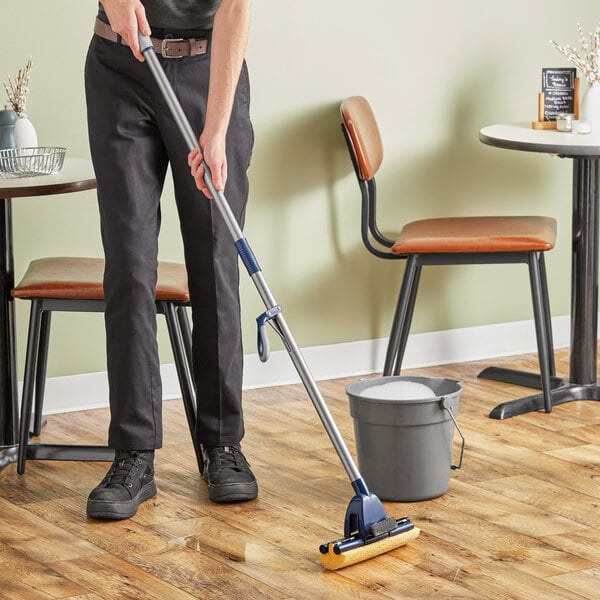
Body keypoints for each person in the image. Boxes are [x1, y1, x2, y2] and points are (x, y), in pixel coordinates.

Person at [84, 0, 256, 520]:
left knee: (215, 262)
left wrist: (217, 126)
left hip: (208, 72)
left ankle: (223, 444)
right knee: (130, 266)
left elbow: (236, 6)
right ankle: (133, 454)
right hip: (120, 69)